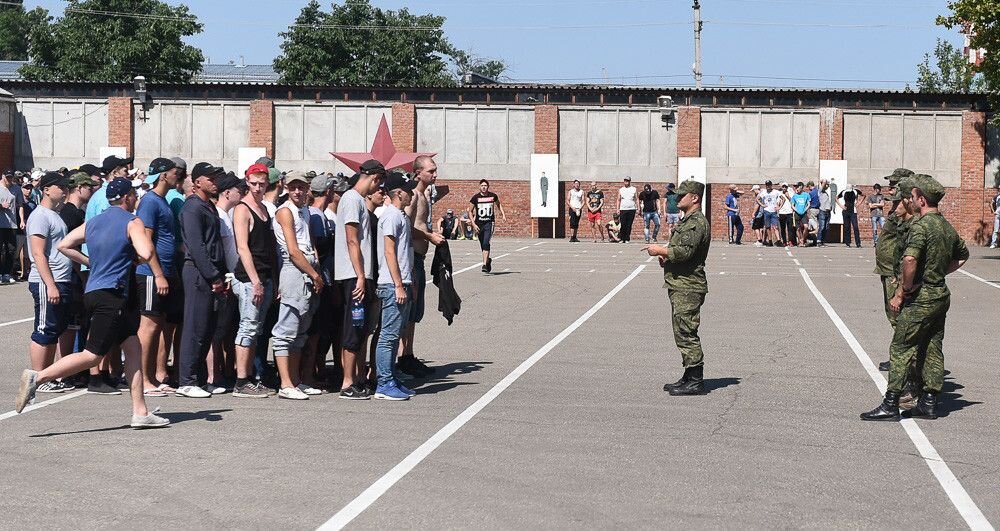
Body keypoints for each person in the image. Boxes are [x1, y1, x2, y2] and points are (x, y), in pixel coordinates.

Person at [15, 178, 168, 428]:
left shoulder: (94, 221)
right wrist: (135, 260)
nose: (136, 199)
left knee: (132, 347)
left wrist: (91, 263)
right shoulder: (132, 221)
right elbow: (147, 252)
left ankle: (140, 412)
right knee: (93, 355)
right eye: (134, 195)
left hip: (98, 291)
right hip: (113, 294)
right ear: (127, 197)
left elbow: (65, 245)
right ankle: (38, 376)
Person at [861, 175, 968, 421]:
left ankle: (890, 403)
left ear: (921, 199)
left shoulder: (922, 226)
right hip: (940, 294)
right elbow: (962, 255)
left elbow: (910, 259)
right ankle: (929, 401)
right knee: (932, 346)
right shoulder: (945, 225)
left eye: (912, 197)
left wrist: (905, 290)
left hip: (921, 298)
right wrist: (938, 274)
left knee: (901, 346)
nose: (909, 200)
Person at [640, 180, 711, 396]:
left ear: (695, 198)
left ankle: (696, 380)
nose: (677, 199)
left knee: (687, 332)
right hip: (680, 283)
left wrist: (660, 251)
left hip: (689, 286)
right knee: (681, 331)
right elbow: (680, 250)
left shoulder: (696, 222)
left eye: (682, 196)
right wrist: (667, 258)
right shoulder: (687, 220)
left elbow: (685, 252)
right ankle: (689, 376)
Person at [176, 163, 227, 398]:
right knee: (194, 326)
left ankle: (198, 378)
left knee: (207, 327)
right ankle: (186, 380)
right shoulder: (192, 208)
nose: (215, 181)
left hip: (211, 272)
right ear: (197, 182)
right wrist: (213, 275)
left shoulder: (209, 207)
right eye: (211, 177)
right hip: (197, 272)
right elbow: (196, 247)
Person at [271, 171, 324, 400]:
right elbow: (293, 251)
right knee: (286, 329)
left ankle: (295, 380)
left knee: (300, 330)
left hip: (308, 268)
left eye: (301, 187)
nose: (297, 191)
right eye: (292, 187)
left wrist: (316, 269)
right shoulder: (285, 211)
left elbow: (310, 242)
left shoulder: (305, 211)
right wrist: (314, 274)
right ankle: (285, 384)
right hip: (295, 270)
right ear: (285, 188)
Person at [134, 158, 182, 397]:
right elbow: (146, 241)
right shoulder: (149, 202)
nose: (179, 176)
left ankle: (151, 376)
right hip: (151, 274)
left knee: (158, 326)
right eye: (176, 172)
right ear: (164, 175)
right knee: (148, 327)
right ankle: (142, 379)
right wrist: (159, 273)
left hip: (163, 272)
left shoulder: (162, 201)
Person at [335, 160, 384, 399]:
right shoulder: (352, 200)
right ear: (374, 178)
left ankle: (356, 378)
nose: (377, 190)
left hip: (360, 274)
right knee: (354, 328)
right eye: (379, 183)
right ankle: (347, 383)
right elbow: (352, 239)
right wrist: (361, 276)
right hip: (353, 275)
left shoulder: (358, 202)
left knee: (361, 327)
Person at [229, 164, 277, 398]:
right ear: (247, 182)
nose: (258, 188)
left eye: (262, 183)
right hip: (249, 278)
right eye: (254, 183)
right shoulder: (242, 209)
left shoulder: (264, 209)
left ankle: (252, 377)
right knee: (247, 328)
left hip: (265, 276)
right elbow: (242, 248)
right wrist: (255, 281)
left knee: (256, 329)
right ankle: (241, 381)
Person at [24, 172, 74, 393]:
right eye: (60, 186)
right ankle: (36, 377)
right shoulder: (40, 216)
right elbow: (38, 253)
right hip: (47, 281)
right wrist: (50, 284)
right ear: (46, 189)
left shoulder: (55, 215)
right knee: (44, 330)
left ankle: (46, 376)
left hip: (61, 279)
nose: (64, 190)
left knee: (54, 330)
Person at [374, 172, 419, 400]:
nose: (411, 193)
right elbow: (389, 251)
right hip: (392, 285)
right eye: (408, 190)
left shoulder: (400, 216)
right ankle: (383, 383)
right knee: (388, 335)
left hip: (401, 282)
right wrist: (399, 284)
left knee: (394, 334)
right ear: (398, 193)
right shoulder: (391, 216)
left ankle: (391, 376)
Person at [400, 156, 445, 378]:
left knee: (415, 312)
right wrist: (429, 235)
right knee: (408, 311)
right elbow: (406, 227)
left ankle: (408, 355)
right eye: (431, 171)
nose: (435, 174)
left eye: (435, 170)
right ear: (418, 173)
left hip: (419, 258)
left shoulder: (425, 194)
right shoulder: (414, 196)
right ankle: (403, 357)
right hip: (410, 258)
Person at [469, 179, 506, 272]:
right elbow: (470, 211)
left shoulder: (493, 196)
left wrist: (503, 214)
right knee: (482, 243)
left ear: (488, 187)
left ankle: (484, 264)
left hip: (489, 223)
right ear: (479, 187)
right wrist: (473, 223)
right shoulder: (475, 198)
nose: (484, 187)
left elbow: (499, 204)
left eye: (485, 185)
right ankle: (488, 260)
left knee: (486, 242)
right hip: (479, 224)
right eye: (482, 185)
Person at [0, 170, 18, 284]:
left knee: (11, 249)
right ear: (2, 177)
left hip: (12, 224)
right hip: (0, 224)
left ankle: (7, 273)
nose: (10, 180)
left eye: (11, 177)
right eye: (8, 177)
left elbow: (20, 205)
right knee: (1, 250)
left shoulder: (15, 189)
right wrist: (1, 205)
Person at [757, 180, 783, 247]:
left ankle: (778, 240)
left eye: (769, 185)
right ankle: (770, 241)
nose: (768, 186)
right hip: (766, 211)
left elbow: (783, 199)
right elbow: (757, 199)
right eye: (767, 185)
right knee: (768, 227)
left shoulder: (775, 192)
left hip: (773, 211)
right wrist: (762, 205)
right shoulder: (763, 192)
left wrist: (779, 207)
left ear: (771, 185)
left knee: (775, 227)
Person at [616, 177, 637, 243]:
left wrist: (638, 207)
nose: (626, 182)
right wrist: (617, 209)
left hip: (632, 208)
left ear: (630, 181)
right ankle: (622, 238)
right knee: (623, 224)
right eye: (625, 181)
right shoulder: (621, 190)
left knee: (629, 224)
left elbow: (636, 198)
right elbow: (618, 199)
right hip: (623, 209)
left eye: (627, 181)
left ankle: (627, 238)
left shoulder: (634, 189)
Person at [791, 182, 811, 246]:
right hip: (797, 214)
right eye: (796, 187)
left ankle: (803, 239)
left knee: (806, 227)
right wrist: (796, 210)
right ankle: (800, 241)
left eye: (797, 187)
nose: (796, 188)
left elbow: (808, 204)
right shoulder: (794, 196)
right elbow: (792, 205)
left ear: (801, 187)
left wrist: (805, 209)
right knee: (798, 228)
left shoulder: (806, 195)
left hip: (804, 214)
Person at [777, 183, 796, 247]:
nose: (784, 188)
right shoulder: (779, 193)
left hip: (789, 212)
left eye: (785, 187)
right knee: (782, 228)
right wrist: (778, 208)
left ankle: (790, 241)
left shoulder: (791, 193)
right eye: (783, 187)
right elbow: (778, 203)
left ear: (787, 187)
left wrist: (788, 197)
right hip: (782, 213)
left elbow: (793, 202)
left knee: (790, 228)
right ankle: (784, 241)